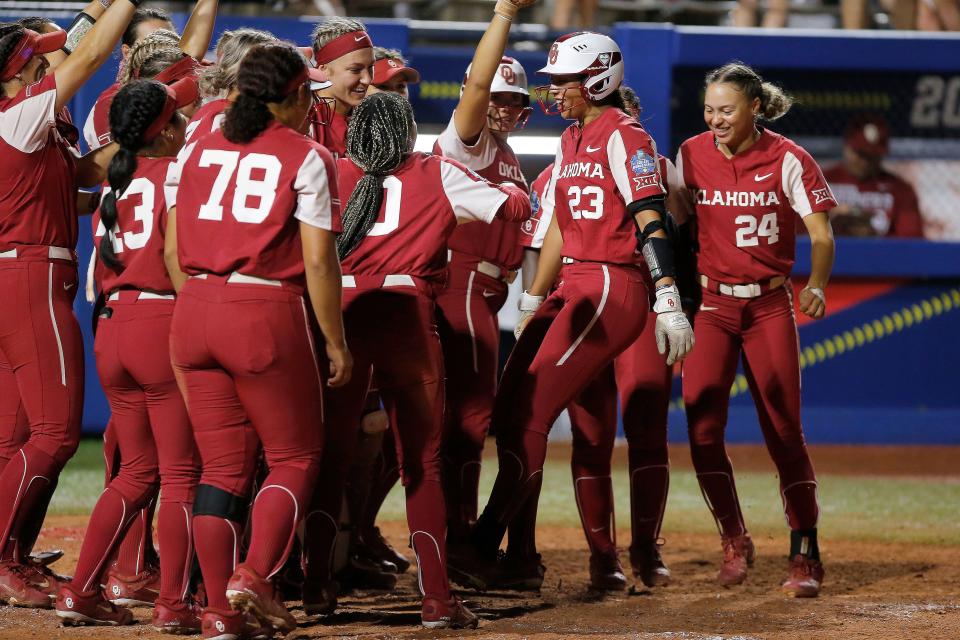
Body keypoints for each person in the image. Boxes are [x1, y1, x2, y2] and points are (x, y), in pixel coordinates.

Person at [448, 31, 695, 590]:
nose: (557, 93)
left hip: (612, 281)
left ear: (601, 78)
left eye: (568, 83)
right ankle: (520, 554)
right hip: (576, 282)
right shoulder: (572, 139)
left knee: (532, 413)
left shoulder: (626, 135)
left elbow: (652, 219)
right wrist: (536, 294)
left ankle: (487, 545)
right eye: (556, 83)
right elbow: (560, 219)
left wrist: (669, 296)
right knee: (510, 410)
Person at [304, 90, 529, 628]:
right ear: (405, 132)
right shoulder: (437, 171)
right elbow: (515, 209)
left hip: (344, 314)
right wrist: (515, 185)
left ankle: (314, 585)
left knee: (330, 458)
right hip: (406, 317)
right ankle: (436, 598)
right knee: (420, 464)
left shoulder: (331, 169)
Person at [165, 43, 349, 637]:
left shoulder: (195, 143)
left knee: (220, 469)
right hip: (263, 310)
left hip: (192, 306)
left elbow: (172, 250)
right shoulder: (307, 154)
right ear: (293, 96)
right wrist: (335, 341)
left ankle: (219, 611)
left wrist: (206, 299)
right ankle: (256, 578)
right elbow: (319, 265)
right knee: (295, 456)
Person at [515, 87, 698, 592]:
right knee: (591, 434)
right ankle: (603, 557)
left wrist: (677, 304)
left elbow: (681, 239)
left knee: (646, 426)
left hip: (638, 298)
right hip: (587, 297)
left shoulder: (656, 166)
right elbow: (543, 242)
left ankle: (645, 546)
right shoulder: (561, 164)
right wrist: (535, 300)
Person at [0, 1, 144, 608]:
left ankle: (13, 561)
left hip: (24, 273)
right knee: (59, 434)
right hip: (31, 275)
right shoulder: (17, 113)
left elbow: (77, 186)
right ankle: (1, 558)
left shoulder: (36, 124)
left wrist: (137, 130)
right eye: (39, 56)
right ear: (17, 71)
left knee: (18, 437)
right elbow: (85, 54)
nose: (50, 62)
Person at [677, 62, 836, 597]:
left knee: (784, 430)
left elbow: (821, 233)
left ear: (755, 109)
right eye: (709, 109)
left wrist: (815, 282)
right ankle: (733, 537)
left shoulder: (790, 158)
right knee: (701, 427)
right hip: (711, 305)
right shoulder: (690, 154)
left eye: (726, 109)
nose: (715, 119)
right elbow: (675, 228)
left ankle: (805, 549)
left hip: (769, 305)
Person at [56, 78, 201, 628]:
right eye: (178, 120)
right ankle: (173, 602)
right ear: (162, 129)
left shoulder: (116, 182)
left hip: (112, 327)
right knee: (182, 473)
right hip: (159, 320)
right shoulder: (175, 173)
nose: (185, 128)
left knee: (136, 471)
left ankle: (81, 589)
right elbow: (178, 257)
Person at [432, 0, 532, 554]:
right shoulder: (466, 141)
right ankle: (458, 538)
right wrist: (503, 15)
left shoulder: (509, 153)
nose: (501, 108)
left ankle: (453, 534)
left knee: (466, 414)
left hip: (488, 289)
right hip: (462, 281)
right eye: (496, 97)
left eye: (513, 101)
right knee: (469, 415)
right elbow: (473, 89)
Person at [83, 1, 218, 151]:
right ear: (128, 53)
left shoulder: (193, 77)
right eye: (151, 42)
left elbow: (193, 53)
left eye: (170, 41)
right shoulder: (109, 106)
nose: (162, 47)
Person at [823, 114, 924, 238]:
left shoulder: (900, 190)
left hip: (878, 256)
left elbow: (911, 242)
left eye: (872, 156)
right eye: (860, 154)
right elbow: (796, 233)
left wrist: (873, 237)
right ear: (846, 146)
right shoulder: (821, 180)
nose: (865, 162)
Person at [307, 16, 374, 156]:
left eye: (371, 67)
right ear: (324, 70)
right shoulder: (304, 121)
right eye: (355, 70)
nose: (367, 79)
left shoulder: (372, 119)